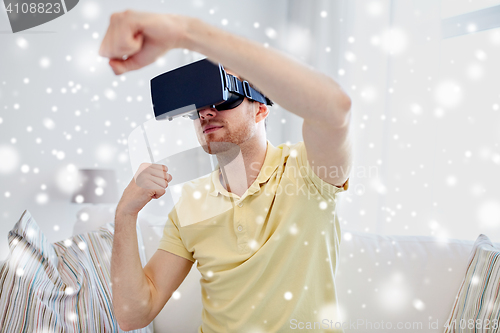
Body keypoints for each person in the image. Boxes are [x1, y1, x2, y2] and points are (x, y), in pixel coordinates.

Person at [99, 9, 353, 333]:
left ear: (261, 108)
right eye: (197, 106)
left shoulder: (310, 172)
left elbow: (336, 107)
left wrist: (185, 32)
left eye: (224, 98)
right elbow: (133, 314)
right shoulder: (190, 205)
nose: (206, 111)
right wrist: (125, 214)